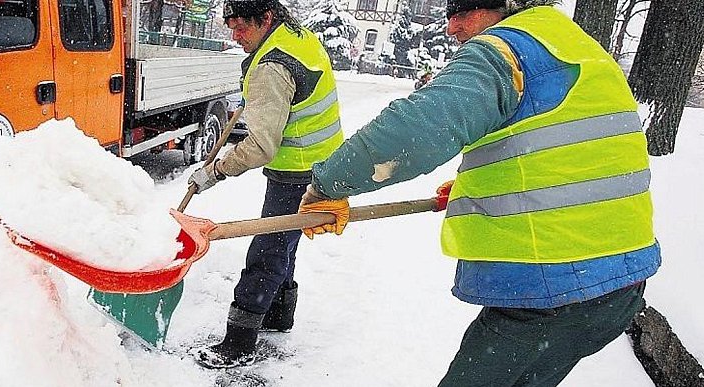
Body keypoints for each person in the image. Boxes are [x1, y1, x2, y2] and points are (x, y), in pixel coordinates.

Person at [297, 0, 661, 385]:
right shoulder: (579, 47)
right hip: (619, 284)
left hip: (555, 287)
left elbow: (418, 130)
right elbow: (580, 151)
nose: (451, 27)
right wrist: (488, 182)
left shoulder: (507, 50)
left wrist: (328, 185)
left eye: (464, 12)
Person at [187, 0, 344, 368]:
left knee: (268, 249)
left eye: (242, 27)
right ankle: (278, 314)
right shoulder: (294, 37)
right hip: (321, 162)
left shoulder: (271, 67)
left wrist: (215, 171)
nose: (235, 36)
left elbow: (260, 146)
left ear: (266, 18)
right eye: (232, 27)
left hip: (298, 169)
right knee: (284, 240)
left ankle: (238, 342)